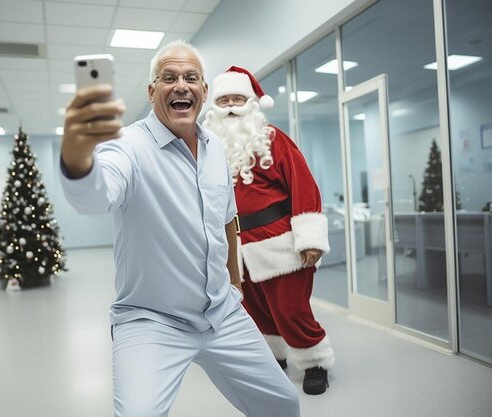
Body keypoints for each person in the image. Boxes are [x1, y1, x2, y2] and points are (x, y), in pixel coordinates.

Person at [59, 40, 300, 416]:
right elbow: (93, 198)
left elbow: (227, 220)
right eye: (168, 77)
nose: (181, 85)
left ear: (204, 90)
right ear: (152, 91)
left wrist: (234, 285)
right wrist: (76, 154)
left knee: (283, 404)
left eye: (191, 77)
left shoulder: (216, 149)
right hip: (151, 321)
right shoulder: (127, 147)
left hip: (222, 315)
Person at [203, 66, 335, 395]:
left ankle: (315, 363)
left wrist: (311, 239)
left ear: (252, 103)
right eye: (224, 100)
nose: (231, 106)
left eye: (237, 98)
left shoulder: (272, 139)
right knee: (255, 310)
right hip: (236, 246)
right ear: (214, 107)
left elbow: (304, 185)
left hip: (280, 243)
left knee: (291, 310)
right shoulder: (206, 148)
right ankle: (274, 356)